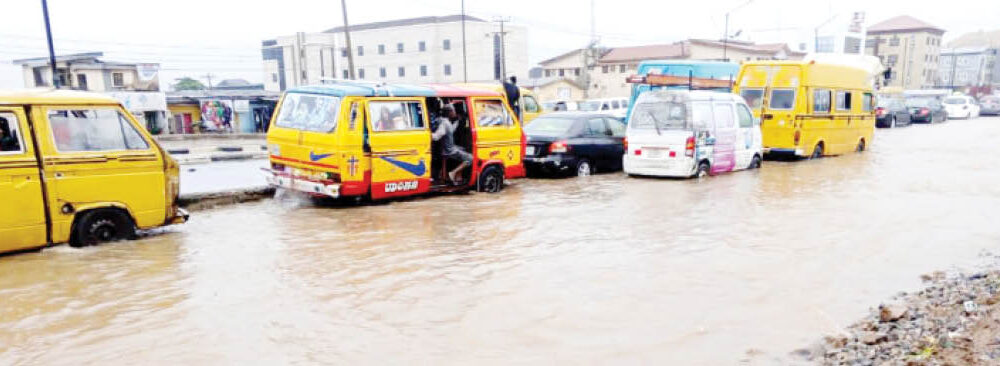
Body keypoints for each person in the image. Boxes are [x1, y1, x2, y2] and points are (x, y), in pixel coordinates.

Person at [431, 104, 473, 183]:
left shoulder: (444, 121)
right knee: (470, 158)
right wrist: (427, 134)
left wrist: (457, 121)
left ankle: (458, 178)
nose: (455, 112)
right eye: (453, 111)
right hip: (448, 151)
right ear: (449, 112)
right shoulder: (444, 123)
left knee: (463, 149)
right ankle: (453, 173)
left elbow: (450, 130)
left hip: (447, 148)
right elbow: (437, 136)